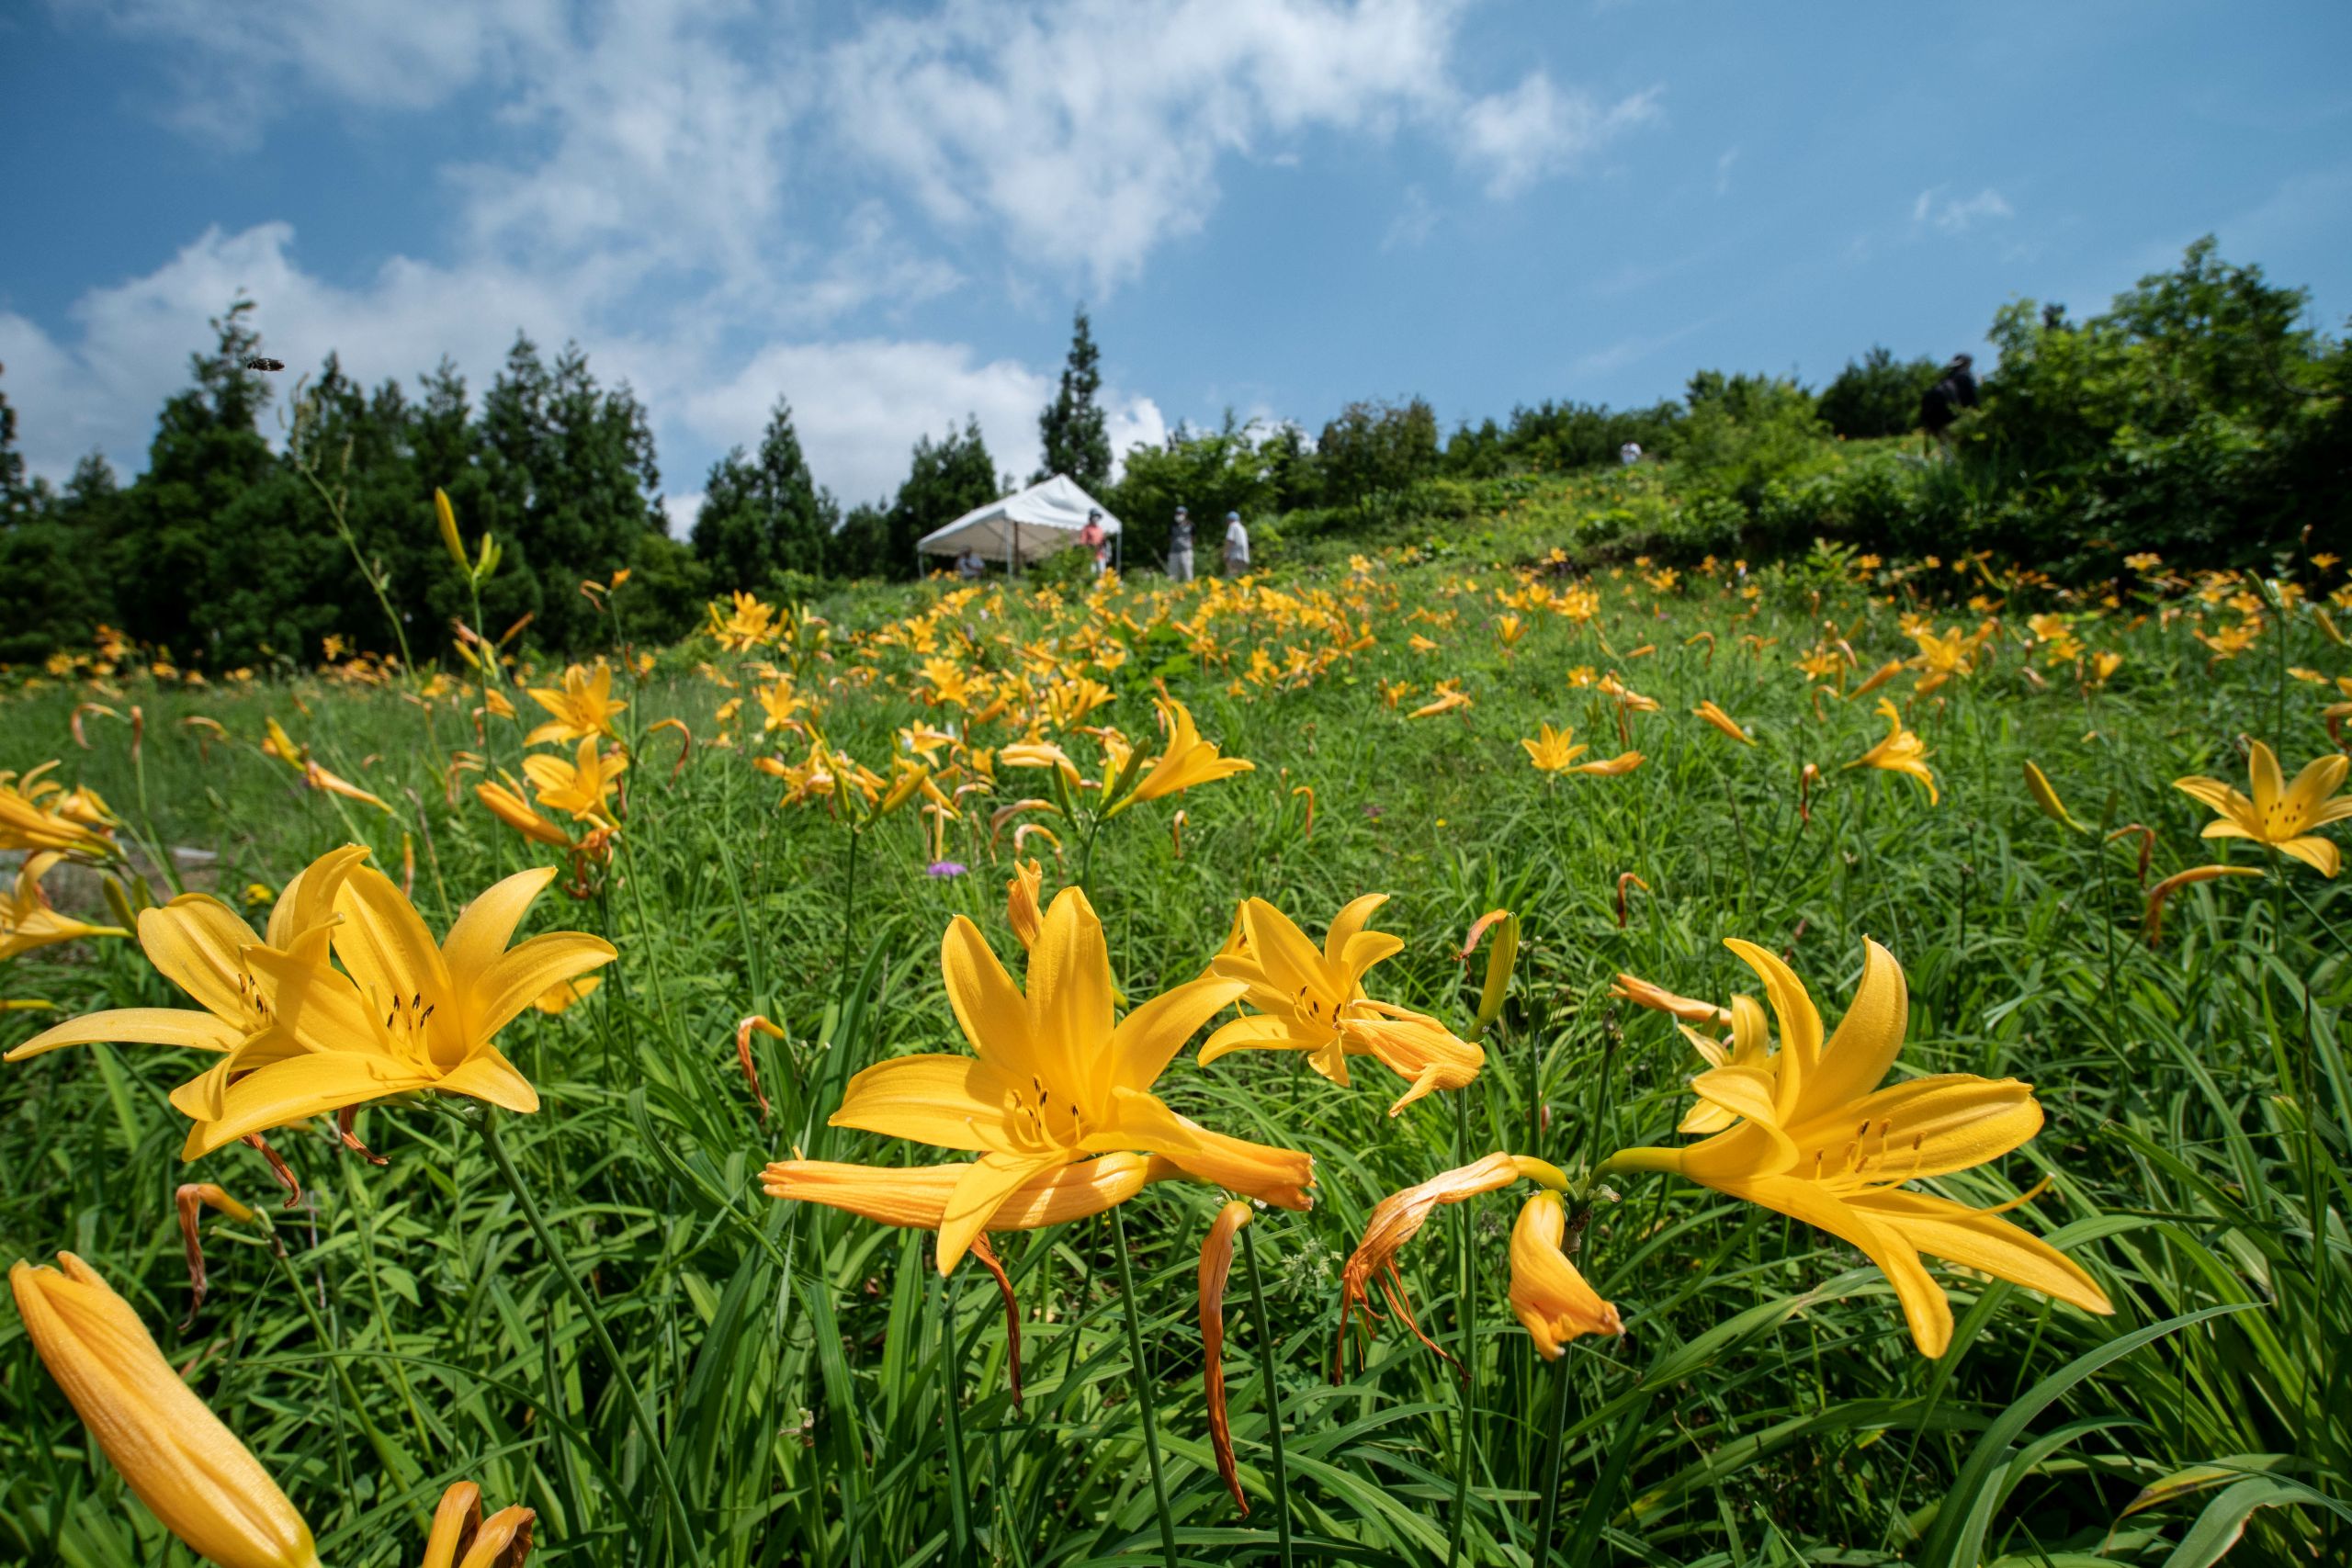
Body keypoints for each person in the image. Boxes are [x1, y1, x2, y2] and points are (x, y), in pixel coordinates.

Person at [1919, 354, 1978, 452]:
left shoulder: (1947, 379)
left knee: (1947, 451)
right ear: (1967, 364)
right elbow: (1973, 401)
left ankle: (1948, 467)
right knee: (1960, 451)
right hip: (1956, 420)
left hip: (1938, 421)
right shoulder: (1965, 377)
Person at [1167, 505, 1194, 581]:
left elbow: (1193, 537)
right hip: (1174, 552)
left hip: (1186, 552)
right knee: (1172, 574)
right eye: (1177, 513)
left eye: (1180, 513)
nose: (1178, 515)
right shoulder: (1171, 525)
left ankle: (1191, 588)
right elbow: (1169, 538)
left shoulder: (1191, 525)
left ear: (1185, 514)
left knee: (1188, 572)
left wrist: (1188, 546)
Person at [1079, 508, 1108, 575]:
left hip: (1100, 554)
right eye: (1094, 516)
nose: (1096, 518)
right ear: (1091, 517)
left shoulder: (1100, 529)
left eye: (1097, 517)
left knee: (1102, 573)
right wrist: (1088, 547)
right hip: (1091, 555)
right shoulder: (1086, 528)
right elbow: (1082, 542)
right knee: (1092, 573)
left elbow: (1103, 541)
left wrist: (1104, 543)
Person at [1222, 509, 1250, 576]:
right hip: (1244, 557)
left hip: (1235, 556)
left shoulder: (1233, 526)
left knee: (1232, 577)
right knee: (1241, 577)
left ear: (1230, 519)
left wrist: (1226, 553)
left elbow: (1230, 540)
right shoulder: (1242, 528)